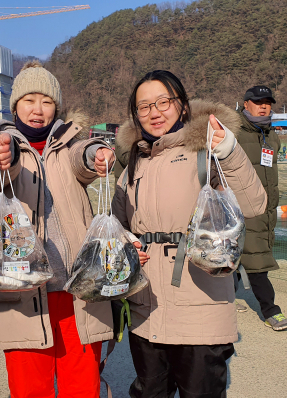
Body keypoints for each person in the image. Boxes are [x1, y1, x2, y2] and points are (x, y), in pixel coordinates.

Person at [111, 70, 267, 398]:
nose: (154, 112)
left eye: (163, 102)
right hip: (147, 310)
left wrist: (229, 151)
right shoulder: (134, 164)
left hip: (202, 307)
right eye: (144, 107)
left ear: (182, 106)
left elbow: (253, 204)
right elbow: (118, 225)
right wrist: (128, 246)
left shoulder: (207, 152)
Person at [0, 61, 115, 398]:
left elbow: (83, 156)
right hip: (24, 290)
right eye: (28, 100)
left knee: (82, 387)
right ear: (15, 106)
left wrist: (97, 154)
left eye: (46, 101)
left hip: (78, 290)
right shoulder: (6, 145)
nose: (38, 110)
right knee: (30, 388)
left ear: (57, 108)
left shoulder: (68, 143)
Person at [234, 85, 287, 331]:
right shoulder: (233, 132)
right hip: (241, 207)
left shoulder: (271, 134)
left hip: (267, 208)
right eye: (258, 101)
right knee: (257, 261)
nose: (264, 106)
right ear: (245, 104)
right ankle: (271, 310)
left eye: (268, 102)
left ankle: (223, 299)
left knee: (235, 257)